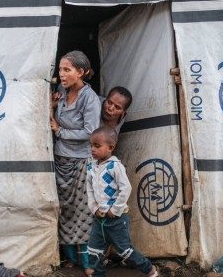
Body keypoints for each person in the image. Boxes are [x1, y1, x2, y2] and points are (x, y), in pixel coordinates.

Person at [50, 50, 101, 270]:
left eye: (66, 70)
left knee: (83, 211)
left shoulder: (90, 99)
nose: (61, 74)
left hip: (81, 161)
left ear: (80, 72)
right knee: (65, 208)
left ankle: (87, 261)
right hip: (61, 159)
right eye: (60, 69)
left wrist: (59, 131)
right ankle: (70, 258)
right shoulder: (61, 90)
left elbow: (91, 132)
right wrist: (52, 105)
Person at [85, 126, 158, 277]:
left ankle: (150, 270)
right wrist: (94, 208)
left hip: (116, 219)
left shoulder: (115, 166)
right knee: (93, 251)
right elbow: (90, 190)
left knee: (125, 251)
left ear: (110, 147)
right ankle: (98, 274)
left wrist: (115, 209)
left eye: (97, 146)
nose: (92, 149)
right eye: (91, 145)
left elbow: (126, 188)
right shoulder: (91, 167)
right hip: (99, 219)